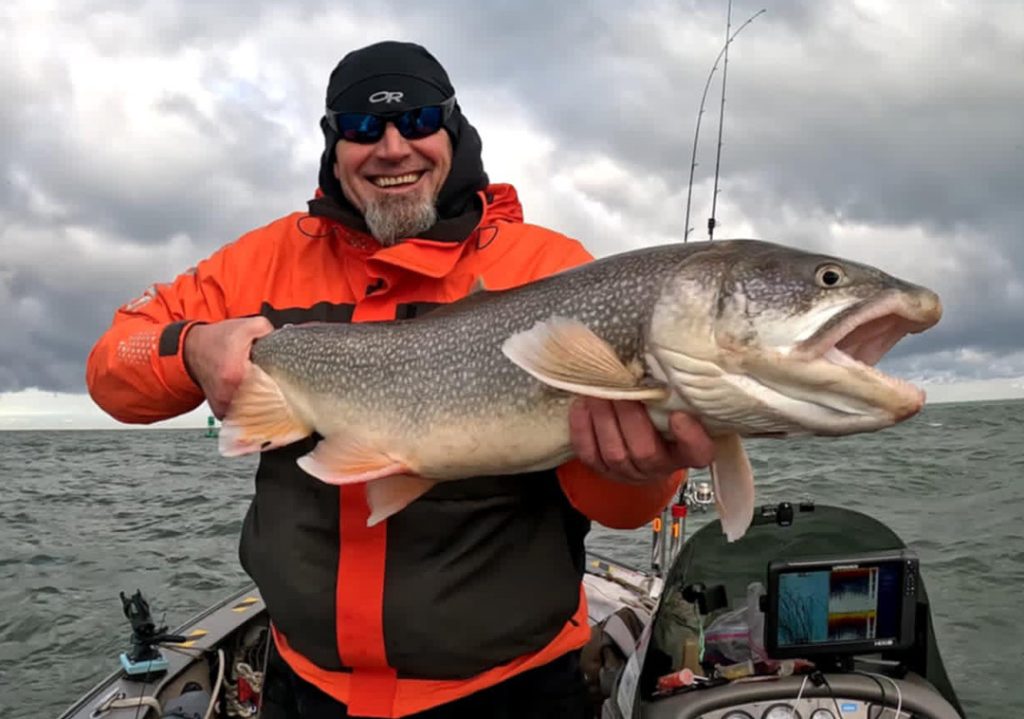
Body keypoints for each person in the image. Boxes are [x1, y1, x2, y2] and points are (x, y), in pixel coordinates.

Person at [86, 41, 714, 718]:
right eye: (361, 127)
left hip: (509, 690)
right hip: (304, 687)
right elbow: (113, 362)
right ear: (333, 146)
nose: (392, 148)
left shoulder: (550, 271)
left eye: (416, 120)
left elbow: (627, 508)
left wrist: (638, 466)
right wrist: (192, 345)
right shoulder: (259, 264)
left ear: (454, 130)